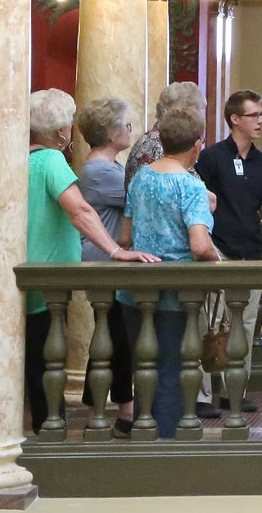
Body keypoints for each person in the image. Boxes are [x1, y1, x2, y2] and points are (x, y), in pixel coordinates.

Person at [25, 89, 157, 433]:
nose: (72, 127)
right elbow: (80, 210)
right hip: (45, 277)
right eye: (68, 121)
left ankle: (44, 424)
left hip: (35, 272)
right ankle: (47, 430)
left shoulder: (26, 160)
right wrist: (115, 251)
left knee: (38, 358)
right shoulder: (52, 161)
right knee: (43, 360)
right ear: (60, 131)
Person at [121, 105, 218, 438]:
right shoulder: (190, 187)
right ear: (196, 145)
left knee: (144, 369)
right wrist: (220, 264)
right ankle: (165, 444)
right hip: (176, 293)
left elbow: (124, 237)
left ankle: (144, 436)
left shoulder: (141, 177)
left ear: (160, 139)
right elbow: (200, 246)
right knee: (172, 370)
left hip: (135, 290)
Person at [194, 89, 262, 410]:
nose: (260, 120)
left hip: (250, 249)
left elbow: (260, 209)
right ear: (235, 119)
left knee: (246, 326)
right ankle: (202, 394)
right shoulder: (213, 157)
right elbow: (199, 199)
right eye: (254, 115)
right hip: (219, 249)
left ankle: (235, 392)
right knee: (211, 324)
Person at [76, 97, 135, 435]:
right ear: (112, 133)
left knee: (111, 338)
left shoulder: (108, 168)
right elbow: (141, 197)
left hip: (109, 262)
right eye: (126, 125)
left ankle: (102, 411)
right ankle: (117, 413)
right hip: (105, 263)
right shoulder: (101, 171)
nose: (129, 129)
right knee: (114, 339)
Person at [125, 81, 207, 192]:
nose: (200, 118)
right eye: (196, 112)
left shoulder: (152, 138)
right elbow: (189, 192)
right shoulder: (158, 144)